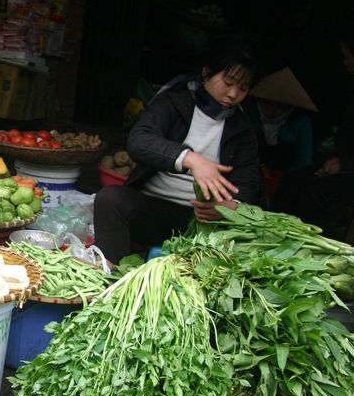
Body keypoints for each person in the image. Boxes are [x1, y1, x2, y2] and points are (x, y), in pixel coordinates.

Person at [94, 37, 263, 264]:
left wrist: (228, 207)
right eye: (228, 82)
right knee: (110, 199)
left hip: (203, 221)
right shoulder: (174, 102)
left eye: (243, 88)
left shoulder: (241, 128)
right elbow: (139, 140)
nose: (233, 94)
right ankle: (110, 277)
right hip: (153, 210)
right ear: (207, 73)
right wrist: (191, 159)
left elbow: (250, 183)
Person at [271, 29, 354, 241]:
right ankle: (274, 235)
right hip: (343, 162)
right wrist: (336, 158)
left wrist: (344, 165)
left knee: (316, 191)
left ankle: (307, 245)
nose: (345, 62)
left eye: (347, 56)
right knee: (292, 179)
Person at [246, 67, 316, 172]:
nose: (271, 110)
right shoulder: (248, 113)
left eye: (279, 105)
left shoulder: (301, 123)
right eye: (267, 102)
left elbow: (303, 163)